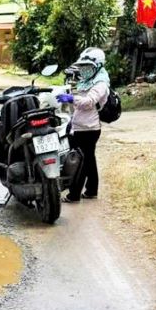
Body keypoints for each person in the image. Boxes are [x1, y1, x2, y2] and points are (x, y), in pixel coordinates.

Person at [56, 47, 110, 203]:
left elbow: (88, 102)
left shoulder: (100, 83)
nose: (84, 69)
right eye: (83, 66)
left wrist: (72, 99)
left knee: (79, 162)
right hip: (81, 126)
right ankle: (92, 190)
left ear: (98, 66)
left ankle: (74, 195)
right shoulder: (87, 81)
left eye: (88, 66)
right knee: (89, 160)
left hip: (89, 129)